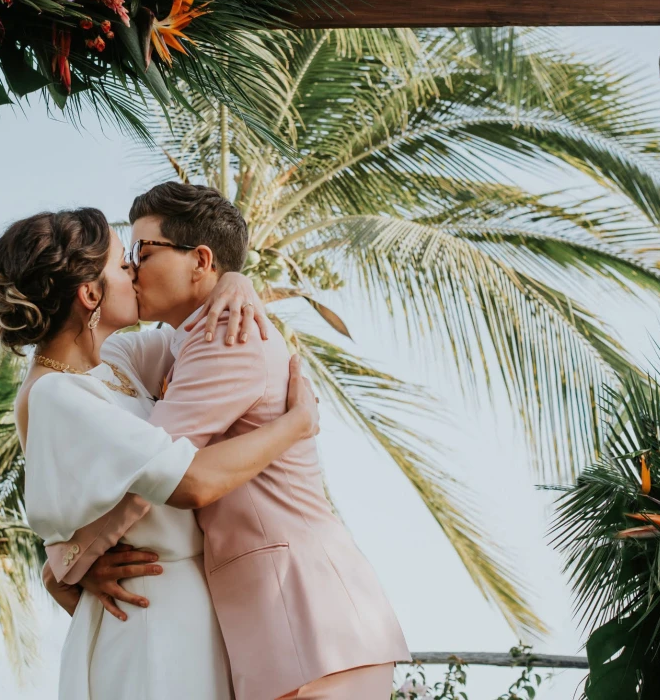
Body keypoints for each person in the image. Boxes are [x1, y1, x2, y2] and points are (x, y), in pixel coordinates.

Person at [44, 183, 411, 700]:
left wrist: (63, 565)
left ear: (199, 260)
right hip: (285, 628)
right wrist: (237, 278)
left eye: (143, 253)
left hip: (306, 617)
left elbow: (160, 475)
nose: (132, 270)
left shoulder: (227, 339)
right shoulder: (187, 339)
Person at [0, 207, 321, 700]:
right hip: (152, 615)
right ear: (90, 293)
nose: (136, 273)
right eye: (124, 265)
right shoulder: (57, 395)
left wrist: (233, 280)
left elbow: (196, 326)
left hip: (186, 605)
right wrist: (296, 425)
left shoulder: (114, 362)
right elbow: (191, 483)